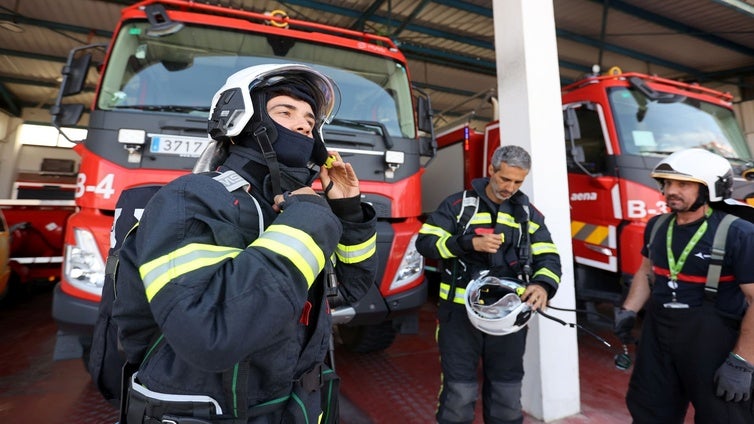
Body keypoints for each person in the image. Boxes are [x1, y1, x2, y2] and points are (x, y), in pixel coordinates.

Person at [112, 63, 377, 423]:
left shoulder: (292, 206)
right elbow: (209, 334)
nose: (303, 125)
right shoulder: (193, 198)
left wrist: (346, 211)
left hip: (295, 406)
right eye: (286, 111)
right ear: (242, 121)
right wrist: (311, 220)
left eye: (310, 121)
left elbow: (348, 290)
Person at [415, 145, 561, 424]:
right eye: (505, 178)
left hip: (508, 318)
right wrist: (468, 243)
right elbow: (425, 244)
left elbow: (549, 256)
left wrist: (543, 285)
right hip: (458, 317)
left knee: (506, 392)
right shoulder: (458, 205)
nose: (510, 187)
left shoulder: (528, 214)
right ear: (491, 170)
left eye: (518, 181)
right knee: (459, 391)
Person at [614, 148, 754, 423]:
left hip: (713, 339)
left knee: (723, 417)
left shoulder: (739, 233)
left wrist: (742, 361)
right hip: (658, 335)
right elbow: (645, 273)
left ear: (710, 188)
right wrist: (629, 310)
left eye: (682, 184)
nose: (670, 190)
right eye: (666, 183)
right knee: (648, 411)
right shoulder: (656, 226)